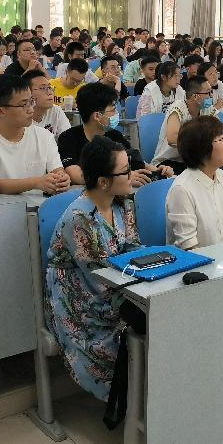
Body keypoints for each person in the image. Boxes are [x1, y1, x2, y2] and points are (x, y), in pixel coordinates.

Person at [45, 136, 142, 403]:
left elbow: (133, 247)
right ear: (103, 182)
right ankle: (133, 401)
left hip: (116, 284)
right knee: (145, 322)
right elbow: (98, 278)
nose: (131, 175)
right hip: (83, 300)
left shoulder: (124, 202)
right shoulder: (79, 219)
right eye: (125, 171)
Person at [0, 76, 70, 195]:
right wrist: (36, 182)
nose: (31, 109)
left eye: (31, 102)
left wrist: (62, 179)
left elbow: (57, 170)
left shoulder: (44, 136)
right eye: (24, 104)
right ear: (1, 111)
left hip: (42, 204)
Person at [58, 82, 171, 187]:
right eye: (112, 110)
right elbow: (76, 175)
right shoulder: (68, 138)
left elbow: (137, 162)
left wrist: (158, 171)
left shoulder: (115, 135)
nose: (117, 114)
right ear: (97, 116)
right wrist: (121, 178)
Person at [166, 116, 223, 249]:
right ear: (202, 148)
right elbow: (189, 247)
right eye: (221, 139)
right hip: (197, 260)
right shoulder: (182, 190)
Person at [151, 75, 219, 173]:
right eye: (208, 92)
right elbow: (172, 138)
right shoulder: (178, 107)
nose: (211, 96)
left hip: (193, 160)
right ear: (195, 97)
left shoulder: (208, 109)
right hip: (169, 162)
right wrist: (202, 143)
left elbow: (218, 132)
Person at [25, 69, 71, 140]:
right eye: (43, 88)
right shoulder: (21, 118)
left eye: (50, 87)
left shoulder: (55, 110)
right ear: (28, 93)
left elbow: (68, 139)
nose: (49, 92)